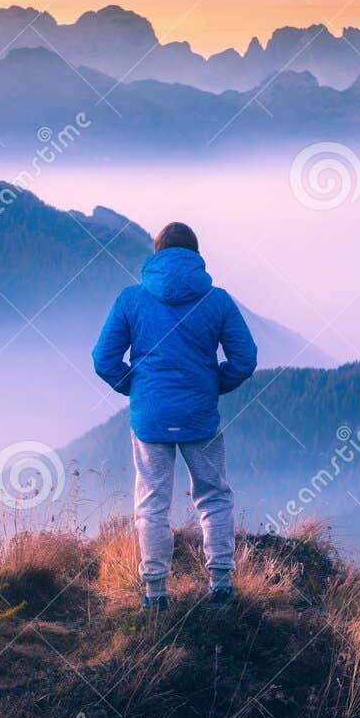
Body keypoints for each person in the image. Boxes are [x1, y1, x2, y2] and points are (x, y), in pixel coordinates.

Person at [92, 222, 257, 610]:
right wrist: (213, 385)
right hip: (200, 414)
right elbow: (245, 359)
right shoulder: (217, 301)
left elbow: (103, 359)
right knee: (214, 495)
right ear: (196, 256)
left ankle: (156, 593)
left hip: (150, 418)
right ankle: (220, 585)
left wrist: (136, 388)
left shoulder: (131, 299)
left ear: (157, 254)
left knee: (152, 503)